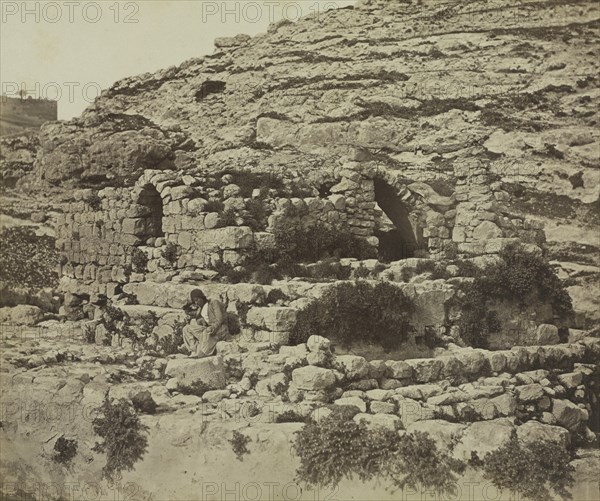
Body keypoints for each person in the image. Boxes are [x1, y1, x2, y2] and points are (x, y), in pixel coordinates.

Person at [182, 289, 230, 358]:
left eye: (197, 299)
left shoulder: (213, 303)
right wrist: (189, 304)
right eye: (194, 301)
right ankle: (194, 350)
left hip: (219, 329)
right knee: (186, 329)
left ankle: (201, 353)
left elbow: (220, 319)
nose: (196, 302)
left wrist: (213, 327)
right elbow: (188, 311)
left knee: (206, 332)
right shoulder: (199, 309)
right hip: (207, 329)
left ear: (201, 297)